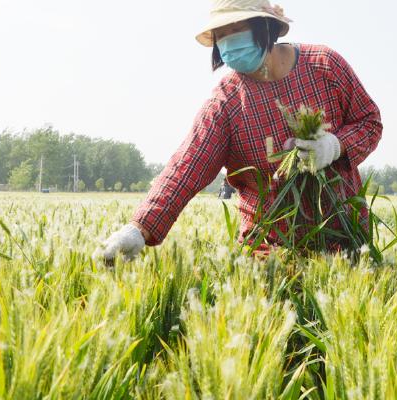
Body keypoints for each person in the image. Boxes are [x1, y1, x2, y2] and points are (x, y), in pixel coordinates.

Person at [100, 0, 382, 261]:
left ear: (266, 27)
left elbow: (369, 122)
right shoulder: (227, 101)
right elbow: (189, 164)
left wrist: (335, 145)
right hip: (268, 249)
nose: (229, 42)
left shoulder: (325, 66)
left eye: (237, 29)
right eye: (221, 35)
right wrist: (139, 227)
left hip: (342, 237)